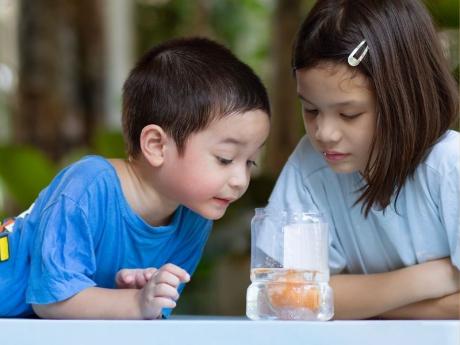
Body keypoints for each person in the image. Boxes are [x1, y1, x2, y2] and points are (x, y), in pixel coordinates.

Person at [0, 37, 271, 319]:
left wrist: (135, 296)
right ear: (156, 145)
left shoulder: (194, 217)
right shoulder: (88, 186)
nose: (241, 179)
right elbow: (51, 301)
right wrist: (135, 302)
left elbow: (149, 310)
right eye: (225, 158)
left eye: (250, 161)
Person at [267, 0, 459, 319]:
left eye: (349, 113)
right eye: (311, 110)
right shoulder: (309, 163)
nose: (324, 133)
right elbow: (285, 297)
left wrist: (356, 304)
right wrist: (429, 278)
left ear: (405, 98)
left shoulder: (450, 164)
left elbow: (313, 300)